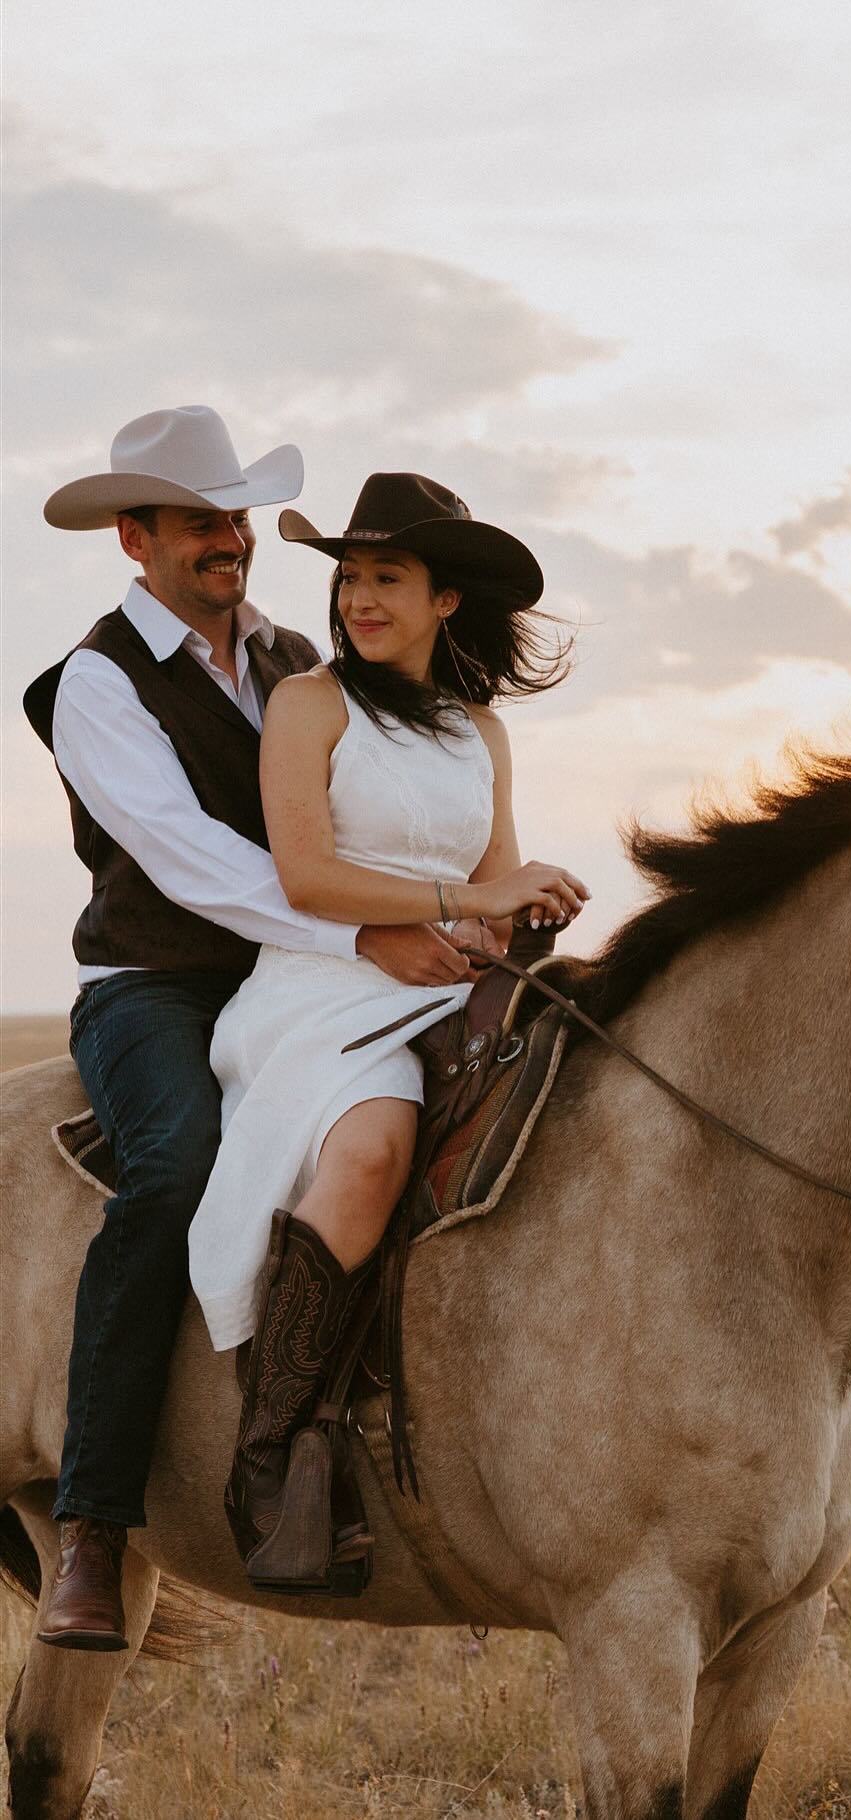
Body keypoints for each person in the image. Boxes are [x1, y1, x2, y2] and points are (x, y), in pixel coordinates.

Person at [24, 409, 478, 1653]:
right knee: (170, 1167)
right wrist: (368, 933)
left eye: (234, 518)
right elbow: (193, 864)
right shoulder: (95, 682)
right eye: (197, 522)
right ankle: (95, 1527)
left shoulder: (292, 659)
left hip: (316, 974)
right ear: (137, 535)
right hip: (160, 982)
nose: (228, 540)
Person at [185, 471, 587, 1591]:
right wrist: (463, 905)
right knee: (371, 1147)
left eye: (387, 578)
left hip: (446, 981)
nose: (360, 598)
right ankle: (273, 1443)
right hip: (325, 983)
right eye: (351, 576)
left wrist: (530, 902)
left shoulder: (481, 732)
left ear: (445, 599)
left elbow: (496, 876)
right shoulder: (313, 702)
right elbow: (306, 875)